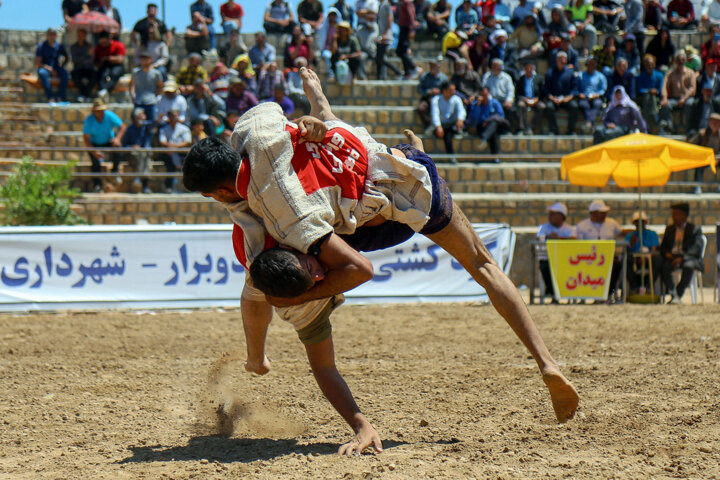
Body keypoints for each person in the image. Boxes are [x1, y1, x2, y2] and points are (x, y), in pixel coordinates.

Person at [181, 67, 579, 454]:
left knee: (270, 280)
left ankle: (257, 357)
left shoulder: (283, 218)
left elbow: (357, 269)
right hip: (387, 165)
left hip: (379, 209)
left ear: (216, 191)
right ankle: (545, 361)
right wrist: (311, 115)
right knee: (484, 265)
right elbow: (278, 117)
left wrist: (304, 295)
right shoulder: (255, 129)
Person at [575, 199, 624, 302]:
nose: (604, 215)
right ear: (593, 213)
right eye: (601, 213)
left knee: (616, 265)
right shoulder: (582, 226)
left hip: (608, 257)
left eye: (605, 213)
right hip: (588, 259)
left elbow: (621, 233)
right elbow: (577, 244)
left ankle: (608, 293)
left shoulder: (612, 223)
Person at [659, 203, 704, 303]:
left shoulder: (694, 230)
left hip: (688, 258)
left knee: (689, 266)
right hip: (672, 258)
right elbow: (663, 247)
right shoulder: (669, 230)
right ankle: (673, 294)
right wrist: (667, 254)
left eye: (676, 214)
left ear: (684, 215)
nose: (674, 217)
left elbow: (696, 249)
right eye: (673, 214)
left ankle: (677, 295)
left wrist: (683, 258)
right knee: (664, 267)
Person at [82, 98, 127, 192]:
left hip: (108, 141)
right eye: (97, 111)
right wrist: (94, 151)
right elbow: (86, 138)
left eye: (101, 110)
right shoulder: (89, 121)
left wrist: (117, 138)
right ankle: (97, 185)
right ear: (94, 111)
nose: (100, 113)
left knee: (118, 148)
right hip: (94, 143)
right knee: (95, 161)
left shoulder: (109, 116)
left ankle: (115, 171)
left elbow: (122, 127)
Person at [536, 202, 576, 301]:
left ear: (561, 216)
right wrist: (548, 237)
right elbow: (539, 238)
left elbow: (573, 240)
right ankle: (552, 293)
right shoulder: (544, 228)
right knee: (545, 266)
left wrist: (559, 239)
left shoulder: (569, 229)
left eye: (553, 214)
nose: (550, 216)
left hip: (566, 261)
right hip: (547, 259)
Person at [660, 52, 697, 134]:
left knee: (690, 104)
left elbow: (692, 89)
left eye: (682, 60)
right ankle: (669, 126)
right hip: (674, 99)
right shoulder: (671, 74)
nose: (680, 62)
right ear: (676, 61)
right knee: (665, 105)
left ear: (685, 61)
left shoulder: (691, 73)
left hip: (687, 98)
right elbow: (664, 86)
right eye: (679, 60)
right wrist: (664, 98)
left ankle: (688, 129)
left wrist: (684, 99)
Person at [625, 211, 661, 293]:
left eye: (642, 221)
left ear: (646, 222)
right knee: (626, 260)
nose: (640, 224)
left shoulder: (652, 234)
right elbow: (627, 250)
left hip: (649, 259)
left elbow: (654, 249)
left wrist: (645, 258)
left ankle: (648, 287)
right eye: (637, 221)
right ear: (633, 223)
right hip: (634, 259)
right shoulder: (630, 236)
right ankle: (634, 287)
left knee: (657, 259)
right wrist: (632, 243)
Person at [544, 51, 579, 135]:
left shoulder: (570, 73)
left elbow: (575, 89)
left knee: (574, 106)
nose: (562, 61)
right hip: (554, 99)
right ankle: (553, 130)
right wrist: (552, 98)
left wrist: (568, 98)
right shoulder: (550, 72)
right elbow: (546, 89)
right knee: (549, 107)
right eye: (561, 59)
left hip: (567, 99)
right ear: (557, 60)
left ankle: (571, 130)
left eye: (564, 60)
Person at [121, 108, 154, 194]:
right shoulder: (130, 129)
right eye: (141, 116)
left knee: (145, 153)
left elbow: (148, 143)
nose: (144, 117)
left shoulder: (146, 129)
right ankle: (145, 186)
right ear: (136, 118)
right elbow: (124, 145)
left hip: (144, 153)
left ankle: (138, 177)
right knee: (144, 157)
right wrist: (132, 147)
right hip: (132, 154)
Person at [159, 109, 192, 193]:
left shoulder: (184, 128)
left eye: (176, 115)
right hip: (168, 153)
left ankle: (187, 187)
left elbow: (187, 142)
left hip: (181, 153)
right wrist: (170, 147)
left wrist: (174, 147)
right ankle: (169, 187)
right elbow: (162, 141)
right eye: (173, 116)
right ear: (169, 117)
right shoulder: (164, 129)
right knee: (170, 166)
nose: (175, 118)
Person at [467, 86, 507, 154]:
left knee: (493, 124)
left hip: (494, 125)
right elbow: (475, 119)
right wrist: (478, 106)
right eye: (482, 95)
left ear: (489, 93)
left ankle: (484, 139)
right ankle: (495, 157)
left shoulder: (494, 103)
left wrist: (489, 121)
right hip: (482, 126)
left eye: (485, 95)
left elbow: (501, 116)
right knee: (493, 133)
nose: (484, 97)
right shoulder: (476, 104)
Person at [687, 112, 720, 193]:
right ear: (709, 123)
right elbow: (692, 144)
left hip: (717, 158)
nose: (715, 124)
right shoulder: (702, 133)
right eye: (713, 122)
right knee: (699, 165)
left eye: (717, 122)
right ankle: (697, 186)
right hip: (704, 157)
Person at [431, 81, 466, 154]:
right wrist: (438, 126)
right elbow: (435, 114)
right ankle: (451, 155)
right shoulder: (436, 100)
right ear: (444, 91)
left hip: (452, 125)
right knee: (447, 133)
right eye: (451, 90)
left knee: (448, 133)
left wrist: (460, 119)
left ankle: (451, 155)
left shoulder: (456, 99)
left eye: (454, 90)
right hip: (441, 125)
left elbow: (461, 111)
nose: (453, 92)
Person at [35, 28, 69, 104]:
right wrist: (49, 69)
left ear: (56, 36)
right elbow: (37, 62)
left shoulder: (59, 46)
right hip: (44, 68)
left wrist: (62, 66)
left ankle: (60, 97)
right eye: (50, 34)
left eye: (53, 34)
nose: (51, 36)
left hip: (56, 67)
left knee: (65, 74)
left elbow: (67, 57)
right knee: (42, 74)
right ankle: (51, 97)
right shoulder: (41, 46)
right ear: (47, 35)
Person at [482, 59, 516, 132]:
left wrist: (509, 100)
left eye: (495, 66)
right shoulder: (487, 76)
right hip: (491, 100)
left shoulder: (507, 77)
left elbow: (510, 90)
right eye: (492, 66)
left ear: (500, 67)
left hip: (503, 100)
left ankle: (507, 130)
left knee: (510, 109)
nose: (493, 67)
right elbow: (484, 89)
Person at [130, 51, 163, 124]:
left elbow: (160, 86)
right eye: (142, 59)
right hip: (139, 101)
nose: (144, 61)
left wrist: (155, 95)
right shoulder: (135, 72)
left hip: (151, 102)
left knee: (152, 122)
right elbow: (132, 84)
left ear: (150, 60)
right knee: (137, 122)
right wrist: (132, 95)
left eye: (146, 59)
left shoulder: (156, 73)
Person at [417, 58, 449, 129]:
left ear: (438, 66)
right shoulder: (424, 77)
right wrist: (429, 91)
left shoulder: (444, 78)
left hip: (440, 99)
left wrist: (440, 92)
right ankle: (429, 125)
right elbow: (419, 90)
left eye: (433, 65)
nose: (431, 67)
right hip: (427, 98)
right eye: (430, 65)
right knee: (421, 108)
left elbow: (447, 90)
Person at [577, 56, 607, 131]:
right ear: (587, 64)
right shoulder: (581, 75)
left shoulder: (600, 76)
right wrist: (580, 94)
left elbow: (603, 89)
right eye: (590, 63)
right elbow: (577, 88)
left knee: (597, 104)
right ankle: (591, 124)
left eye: (594, 64)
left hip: (596, 97)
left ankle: (588, 122)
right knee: (584, 104)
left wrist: (597, 95)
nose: (592, 65)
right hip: (584, 97)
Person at [94, 31, 125, 102]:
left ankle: (105, 90)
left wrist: (108, 58)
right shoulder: (99, 47)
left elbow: (120, 59)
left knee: (115, 73)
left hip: (117, 66)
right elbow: (96, 62)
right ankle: (102, 92)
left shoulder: (118, 45)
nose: (103, 44)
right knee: (102, 75)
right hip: (104, 66)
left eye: (105, 42)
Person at [516, 61, 546, 134]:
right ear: (525, 69)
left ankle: (533, 125)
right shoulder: (520, 80)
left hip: (535, 99)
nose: (529, 69)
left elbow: (542, 92)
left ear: (533, 69)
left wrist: (537, 99)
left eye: (530, 68)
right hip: (524, 99)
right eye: (527, 68)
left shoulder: (539, 78)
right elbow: (517, 93)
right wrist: (524, 99)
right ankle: (521, 127)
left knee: (542, 106)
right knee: (520, 105)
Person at [636, 54, 664, 131]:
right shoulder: (641, 76)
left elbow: (660, 89)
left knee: (651, 97)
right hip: (644, 98)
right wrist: (648, 91)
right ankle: (656, 116)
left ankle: (646, 123)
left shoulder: (659, 75)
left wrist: (655, 91)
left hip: (656, 98)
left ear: (654, 64)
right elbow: (640, 89)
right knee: (648, 97)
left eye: (651, 64)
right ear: (645, 65)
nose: (649, 66)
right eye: (647, 64)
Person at [397, 0, 422, 80]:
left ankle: (414, 68)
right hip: (402, 28)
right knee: (400, 51)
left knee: (402, 51)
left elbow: (411, 16)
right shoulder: (402, 3)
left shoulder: (407, 2)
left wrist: (412, 30)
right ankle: (407, 73)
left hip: (406, 29)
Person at [70, 28, 95, 102]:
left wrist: (83, 57)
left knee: (94, 75)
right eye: (79, 35)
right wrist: (87, 55)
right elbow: (75, 60)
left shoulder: (90, 46)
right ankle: (84, 95)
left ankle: (85, 95)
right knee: (74, 75)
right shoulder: (73, 47)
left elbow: (90, 61)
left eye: (83, 35)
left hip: (88, 68)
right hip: (78, 69)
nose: (81, 36)